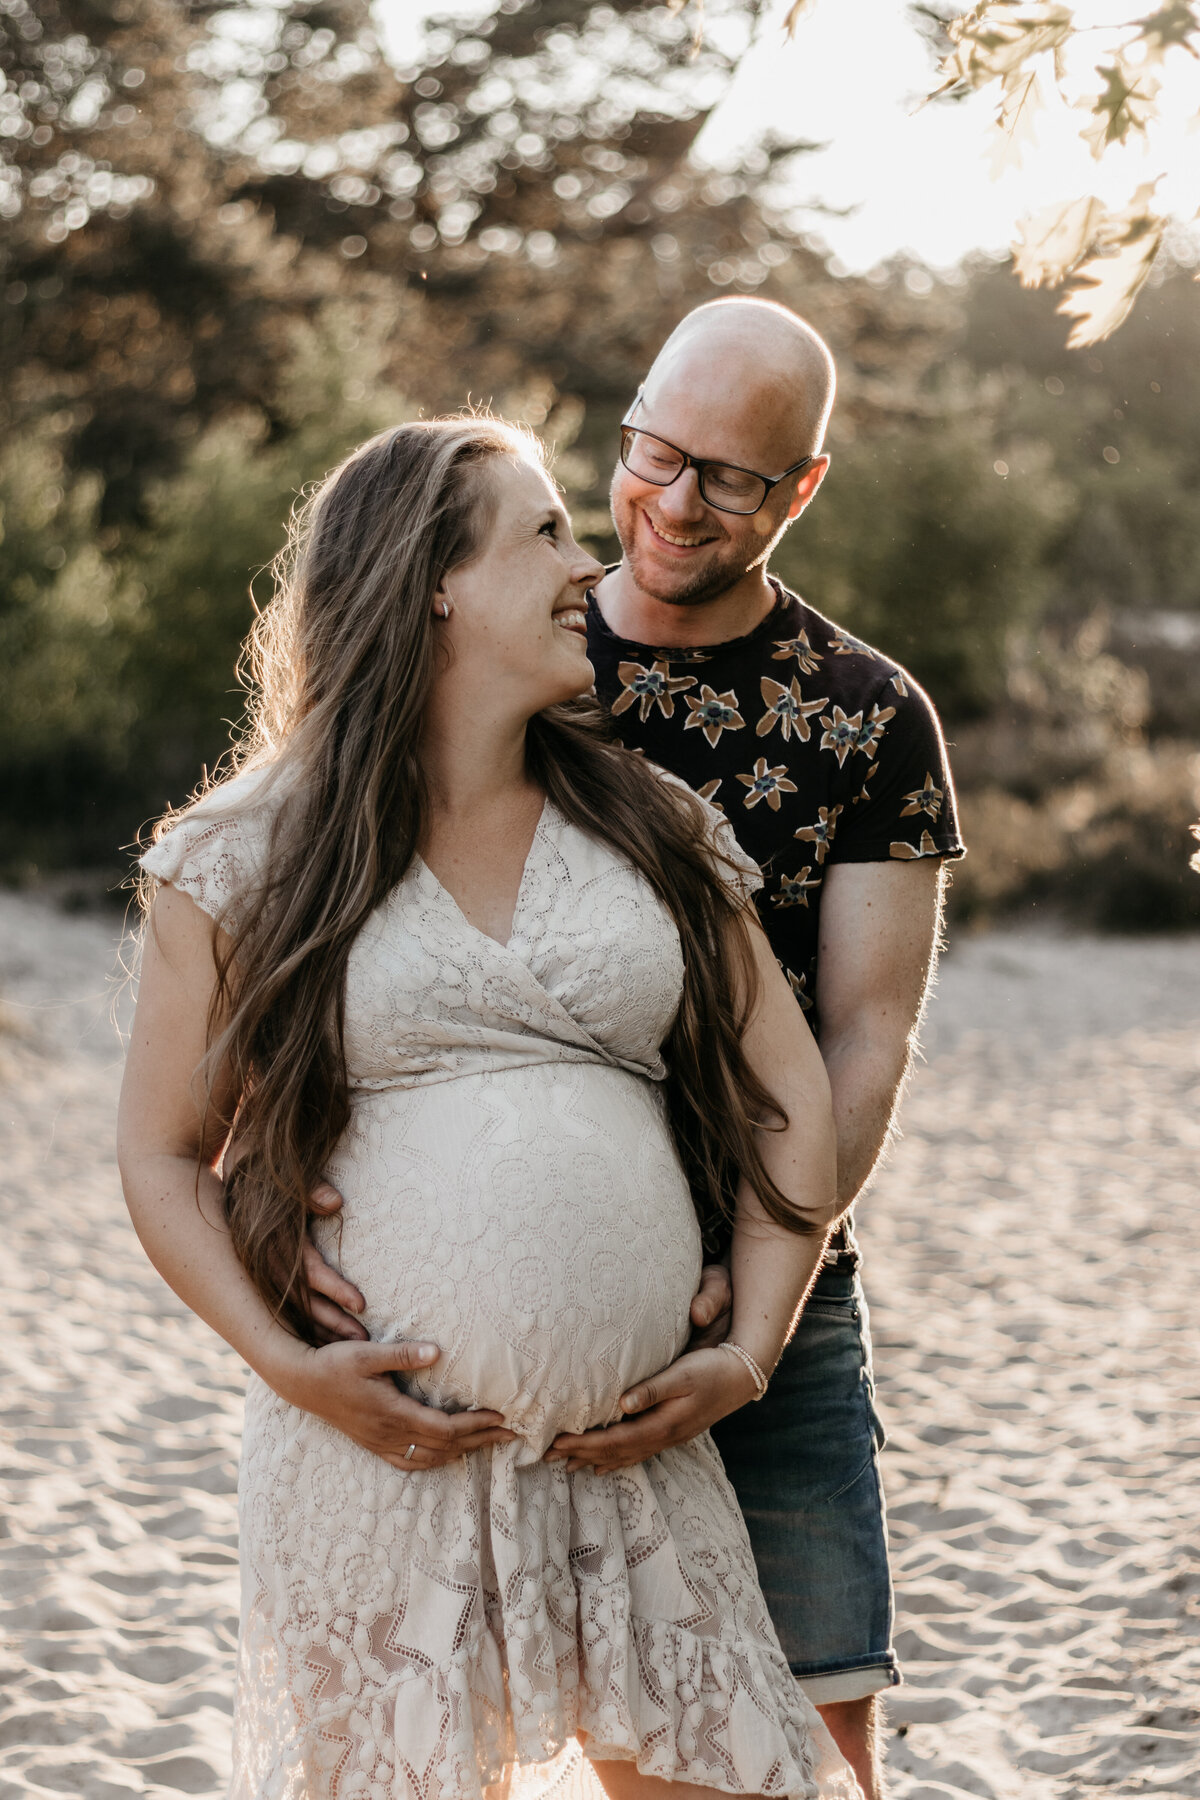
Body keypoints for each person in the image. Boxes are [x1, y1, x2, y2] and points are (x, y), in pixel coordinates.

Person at [117, 416, 864, 1800]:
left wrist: (752, 1344)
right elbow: (163, 1155)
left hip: (638, 1457)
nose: (589, 570)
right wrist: (289, 1369)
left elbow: (789, 1100)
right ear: (433, 581)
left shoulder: (654, 827)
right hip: (377, 1456)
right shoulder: (245, 851)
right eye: (545, 535)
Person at [303, 302, 965, 1799]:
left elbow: (862, 1039)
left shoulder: (867, 721)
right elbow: (321, 930)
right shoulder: (508, 629)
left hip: (770, 1302)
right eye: (655, 453)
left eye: (732, 479)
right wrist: (276, 1196)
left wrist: (757, 1303)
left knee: (803, 1747)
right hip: (471, 1324)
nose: (672, 504)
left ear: (802, 488)